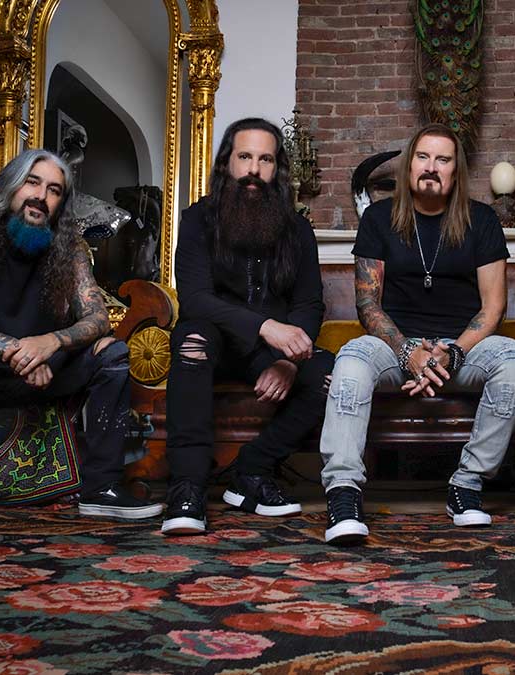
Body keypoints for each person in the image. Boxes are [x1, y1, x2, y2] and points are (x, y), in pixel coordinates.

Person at [0, 149, 162, 526]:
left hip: (45, 378)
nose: (41, 196)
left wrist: (50, 344)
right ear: (10, 186)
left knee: (112, 353)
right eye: (32, 182)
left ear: (61, 202)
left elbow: (97, 317)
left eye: (54, 190)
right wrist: (14, 349)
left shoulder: (70, 248)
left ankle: (102, 488)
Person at [319, 123, 515, 545]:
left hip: (462, 347)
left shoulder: (482, 220)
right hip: (394, 346)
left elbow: (493, 308)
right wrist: (408, 352)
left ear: (456, 171)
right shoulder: (379, 218)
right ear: (409, 166)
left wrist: (452, 353)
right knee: (351, 359)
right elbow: (368, 304)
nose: (431, 167)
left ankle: (467, 483)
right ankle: (343, 492)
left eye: (442, 159)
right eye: (423, 157)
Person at [162, 118, 332, 536]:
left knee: (333, 375)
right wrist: (266, 326)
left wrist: (290, 362)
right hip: (215, 342)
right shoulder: (198, 219)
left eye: (265, 159)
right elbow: (195, 299)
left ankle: (252, 470)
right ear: (227, 163)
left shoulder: (298, 229)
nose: (254, 169)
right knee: (191, 339)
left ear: (277, 168)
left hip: (269, 355)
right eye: (245, 157)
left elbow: (309, 304)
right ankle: (187, 486)